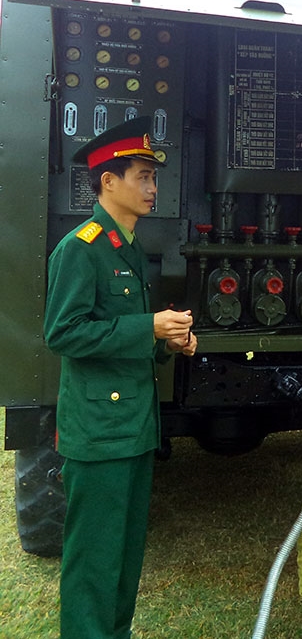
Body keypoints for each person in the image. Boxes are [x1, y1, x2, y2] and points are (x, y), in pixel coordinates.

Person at [44, 117, 198, 639]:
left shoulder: (126, 247)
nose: (154, 188)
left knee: (126, 556)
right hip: (99, 432)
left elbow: (122, 333)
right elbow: (63, 333)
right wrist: (147, 326)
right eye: (142, 176)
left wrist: (165, 341)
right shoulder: (81, 248)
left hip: (132, 426)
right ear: (108, 181)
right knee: (94, 562)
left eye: (154, 178)